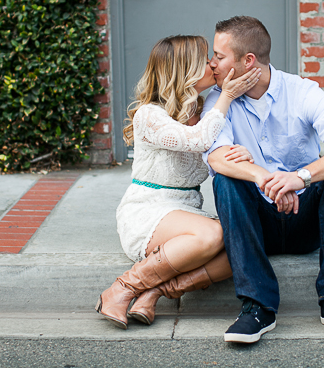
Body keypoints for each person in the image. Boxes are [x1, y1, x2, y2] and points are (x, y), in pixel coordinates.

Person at [202, 16, 324, 344]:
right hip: (258, 223)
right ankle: (257, 308)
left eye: (219, 55)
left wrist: (301, 177)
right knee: (225, 181)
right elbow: (215, 156)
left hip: (305, 218)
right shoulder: (219, 100)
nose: (211, 63)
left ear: (247, 61)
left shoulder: (301, 91)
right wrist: (271, 179)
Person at [96, 35, 261, 329]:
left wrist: (242, 152)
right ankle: (122, 289)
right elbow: (199, 141)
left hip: (188, 212)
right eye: (205, 59)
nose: (213, 63)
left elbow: (217, 151)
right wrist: (226, 97)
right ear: (183, 70)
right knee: (212, 235)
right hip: (149, 210)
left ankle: (156, 292)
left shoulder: (203, 112)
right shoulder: (150, 115)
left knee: (245, 241)